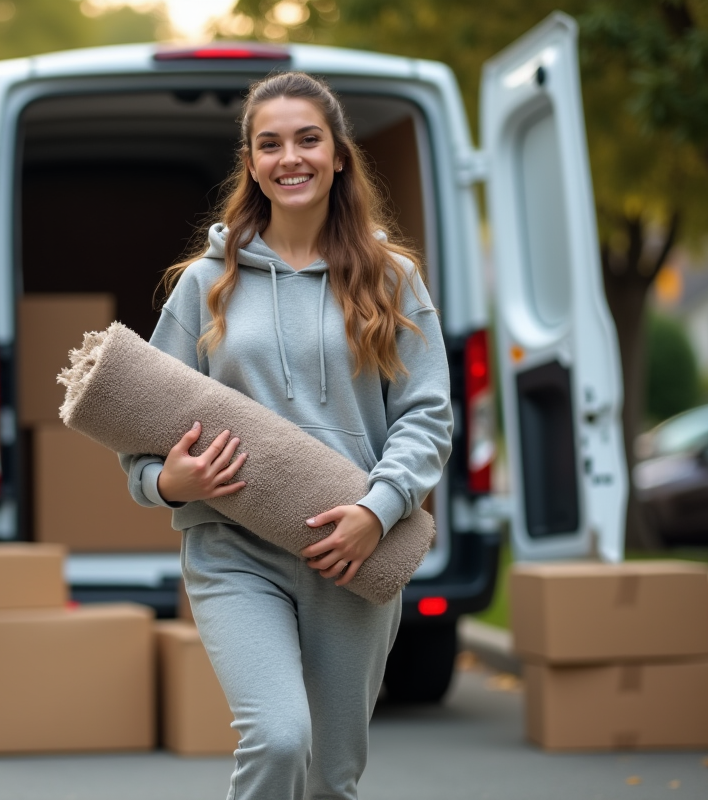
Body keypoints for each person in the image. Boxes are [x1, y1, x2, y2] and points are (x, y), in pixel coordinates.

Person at [119, 72, 453, 800]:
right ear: (251, 163)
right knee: (278, 738)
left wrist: (379, 509)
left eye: (308, 139)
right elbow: (138, 429)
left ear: (339, 156)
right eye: (269, 144)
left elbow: (427, 416)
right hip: (232, 550)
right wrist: (168, 482)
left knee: (332, 778)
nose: (289, 157)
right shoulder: (204, 283)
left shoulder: (392, 280)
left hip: (352, 553)